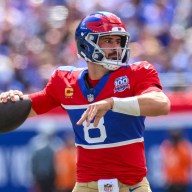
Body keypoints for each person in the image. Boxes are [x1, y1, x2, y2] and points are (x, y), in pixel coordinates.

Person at [0, 11, 170, 192]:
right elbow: (31, 105)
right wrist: (13, 98)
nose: (116, 48)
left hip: (131, 185)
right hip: (86, 186)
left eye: (118, 41)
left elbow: (161, 104)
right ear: (85, 44)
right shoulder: (64, 81)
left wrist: (112, 103)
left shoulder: (137, 73)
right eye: (108, 40)